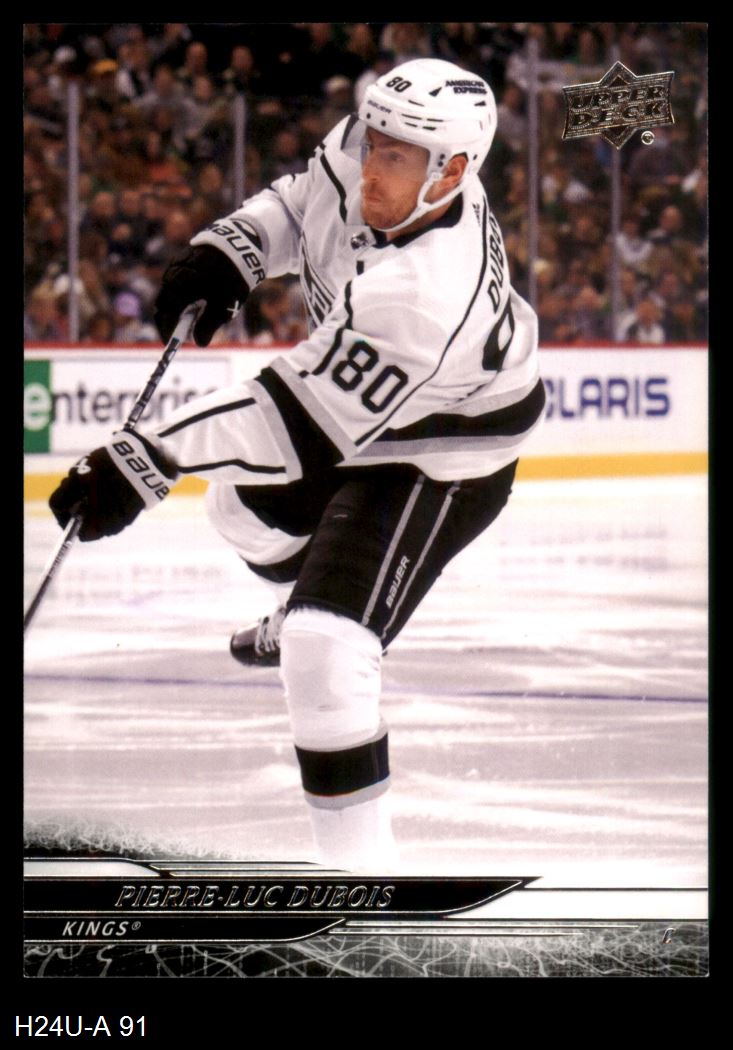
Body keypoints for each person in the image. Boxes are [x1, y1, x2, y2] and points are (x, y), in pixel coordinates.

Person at [49, 58, 545, 872]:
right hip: (366, 414)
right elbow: (298, 200)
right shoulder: (372, 146)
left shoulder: (425, 294)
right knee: (236, 507)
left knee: (325, 650)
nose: (371, 166)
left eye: (395, 158)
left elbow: (285, 425)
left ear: (453, 171)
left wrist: (145, 460)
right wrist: (231, 253)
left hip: (443, 450)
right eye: (373, 142)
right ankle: (310, 593)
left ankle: (361, 880)